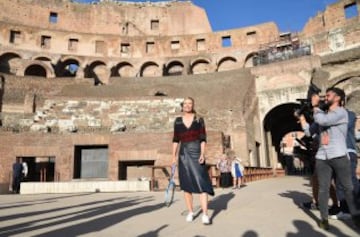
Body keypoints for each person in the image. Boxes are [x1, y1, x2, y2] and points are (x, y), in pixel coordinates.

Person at [311, 87, 360, 230]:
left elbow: (324, 121)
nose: (325, 98)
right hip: (322, 156)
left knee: (347, 187)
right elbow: (312, 130)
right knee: (323, 189)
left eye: (328, 96)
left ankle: (356, 217)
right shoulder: (323, 113)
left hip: (339, 154)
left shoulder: (341, 113)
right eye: (324, 96)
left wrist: (316, 107)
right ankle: (324, 219)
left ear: (338, 98)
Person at [172, 97, 214, 225]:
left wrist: (202, 153)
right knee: (186, 185)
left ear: (193, 105)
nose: (188, 105)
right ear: (182, 106)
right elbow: (175, 140)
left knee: (202, 183)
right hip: (183, 153)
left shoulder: (198, 119)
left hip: (196, 151)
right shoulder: (178, 121)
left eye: (190, 103)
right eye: (185, 104)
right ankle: (191, 212)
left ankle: (205, 215)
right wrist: (173, 156)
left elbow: (202, 138)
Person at [331, 108, 359, 220]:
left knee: (351, 180)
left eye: (329, 96)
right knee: (339, 183)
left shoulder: (348, 114)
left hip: (347, 151)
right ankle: (345, 210)